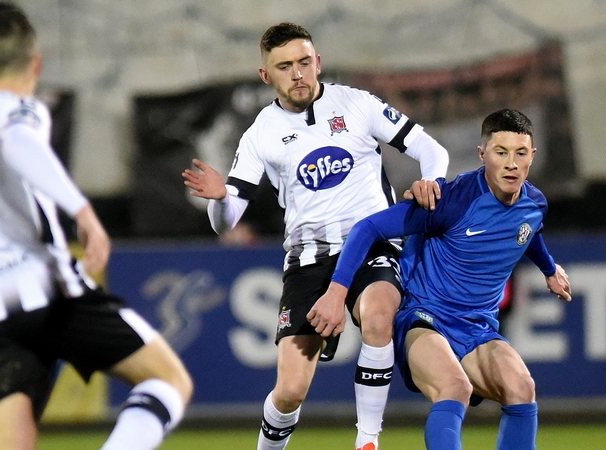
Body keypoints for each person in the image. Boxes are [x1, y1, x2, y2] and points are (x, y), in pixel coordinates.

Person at [182, 22, 449, 450]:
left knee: (379, 312)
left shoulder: (357, 104)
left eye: (304, 62)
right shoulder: (260, 133)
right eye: (284, 66)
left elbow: (432, 150)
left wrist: (432, 181)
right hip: (308, 259)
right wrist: (219, 200)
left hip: (371, 245)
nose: (298, 74)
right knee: (290, 392)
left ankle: (367, 441)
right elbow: (225, 222)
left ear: (318, 63)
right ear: (265, 76)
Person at [0, 10, 193, 450]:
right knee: (168, 380)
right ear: (36, 64)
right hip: (46, 292)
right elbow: (18, 142)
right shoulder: (20, 109)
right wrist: (83, 211)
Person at [310, 109, 572, 450]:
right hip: (424, 319)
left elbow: (527, 233)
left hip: (477, 327)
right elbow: (367, 228)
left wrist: (549, 269)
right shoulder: (450, 201)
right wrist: (336, 291)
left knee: (522, 388)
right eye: (501, 152)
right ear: (482, 154)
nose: (512, 164)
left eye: (520, 153)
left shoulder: (534, 204)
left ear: (532, 156)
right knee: (455, 388)